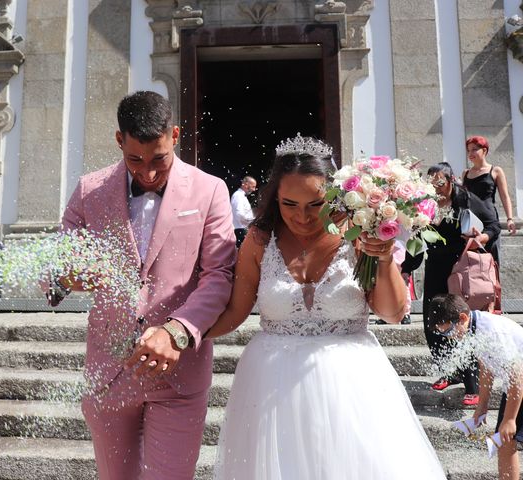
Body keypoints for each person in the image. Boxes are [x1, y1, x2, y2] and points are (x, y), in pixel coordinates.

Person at [206, 136, 446, 479]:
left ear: (334, 196)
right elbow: (234, 312)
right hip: (269, 386)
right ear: (274, 196)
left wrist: (382, 259)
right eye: (289, 204)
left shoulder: (359, 233)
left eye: (314, 204)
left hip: (351, 386)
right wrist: (182, 333)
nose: (301, 217)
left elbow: (392, 314)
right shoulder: (260, 239)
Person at [52, 91, 236, 480]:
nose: (148, 173)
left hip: (178, 374)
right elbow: (55, 266)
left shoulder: (210, 189)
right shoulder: (89, 189)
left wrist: (178, 331)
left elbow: (219, 276)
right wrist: (67, 275)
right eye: (135, 160)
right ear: (119, 141)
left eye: (159, 160)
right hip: (108, 373)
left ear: (174, 134)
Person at [424, 162, 500, 406]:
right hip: (435, 267)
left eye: (440, 183)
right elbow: (417, 234)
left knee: (461, 323)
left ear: (451, 180)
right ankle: (449, 371)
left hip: (459, 268)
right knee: (432, 321)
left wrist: (482, 236)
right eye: (431, 184)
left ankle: (472, 383)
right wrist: (406, 266)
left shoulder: (466, 198)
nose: (436, 189)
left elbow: (493, 225)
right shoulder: (424, 203)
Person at [428, 294, 523, 480]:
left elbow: (518, 376)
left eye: (448, 332)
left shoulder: (492, 332)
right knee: (505, 441)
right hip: (515, 386)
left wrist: (510, 419)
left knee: (506, 438)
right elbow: (486, 367)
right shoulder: (475, 328)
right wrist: (483, 404)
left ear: (462, 318)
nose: (449, 338)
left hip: (519, 383)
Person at [462, 135, 517, 264]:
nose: (470, 153)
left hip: (489, 223)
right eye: (468, 150)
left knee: (492, 263)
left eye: (474, 149)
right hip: (471, 224)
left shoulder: (495, 171)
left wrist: (510, 219)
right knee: (472, 265)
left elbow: (505, 196)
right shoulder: (465, 173)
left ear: (484, 151)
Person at [230, 175, 257, 247]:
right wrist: (253, 221)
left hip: (242, 230)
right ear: (245, 184)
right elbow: (239, 214)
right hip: (240, 231)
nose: (254, 190)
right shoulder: (238, 196)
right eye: (253, 186)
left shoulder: (241, 196)